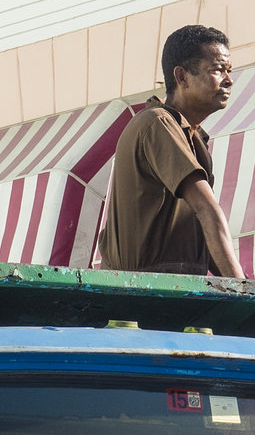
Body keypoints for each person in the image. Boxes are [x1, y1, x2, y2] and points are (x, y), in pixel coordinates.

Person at [99, 25, 241, 277]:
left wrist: (246, 289)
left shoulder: (193, 137)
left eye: (228, 71)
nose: (229, 80)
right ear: (182, 76)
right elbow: (207, 211)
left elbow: (205, 234)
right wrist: (244, 292)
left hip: (173, 294)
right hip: (144, 295)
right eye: (218, 70)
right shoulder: (158, 123)